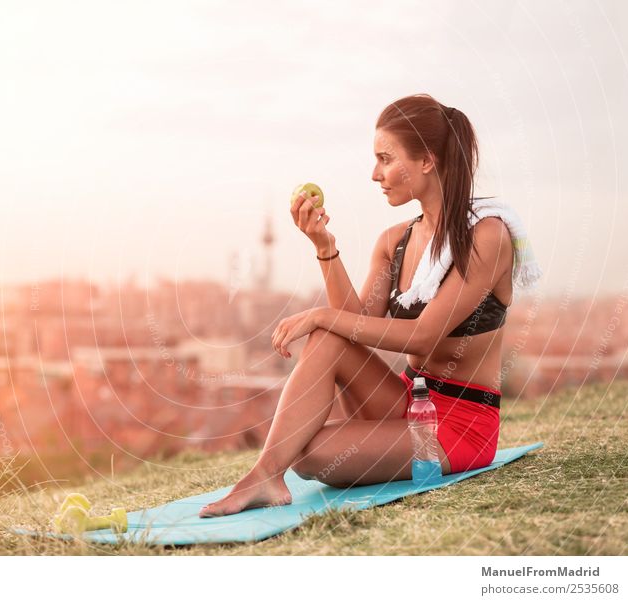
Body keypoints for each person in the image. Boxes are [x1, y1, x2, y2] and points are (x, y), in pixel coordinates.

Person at [199, 93, 517, 518]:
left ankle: (270, 473)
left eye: (385, 158)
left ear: (426, 160)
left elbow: (424, 334)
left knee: (311, 455)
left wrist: (321, 315)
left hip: (460, 426)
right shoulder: (394, 242)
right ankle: (264, 476)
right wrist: (325, 248)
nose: (375, 174)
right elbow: (359, 325)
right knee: (322, 357)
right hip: (406, 400)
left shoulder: (487, 237)